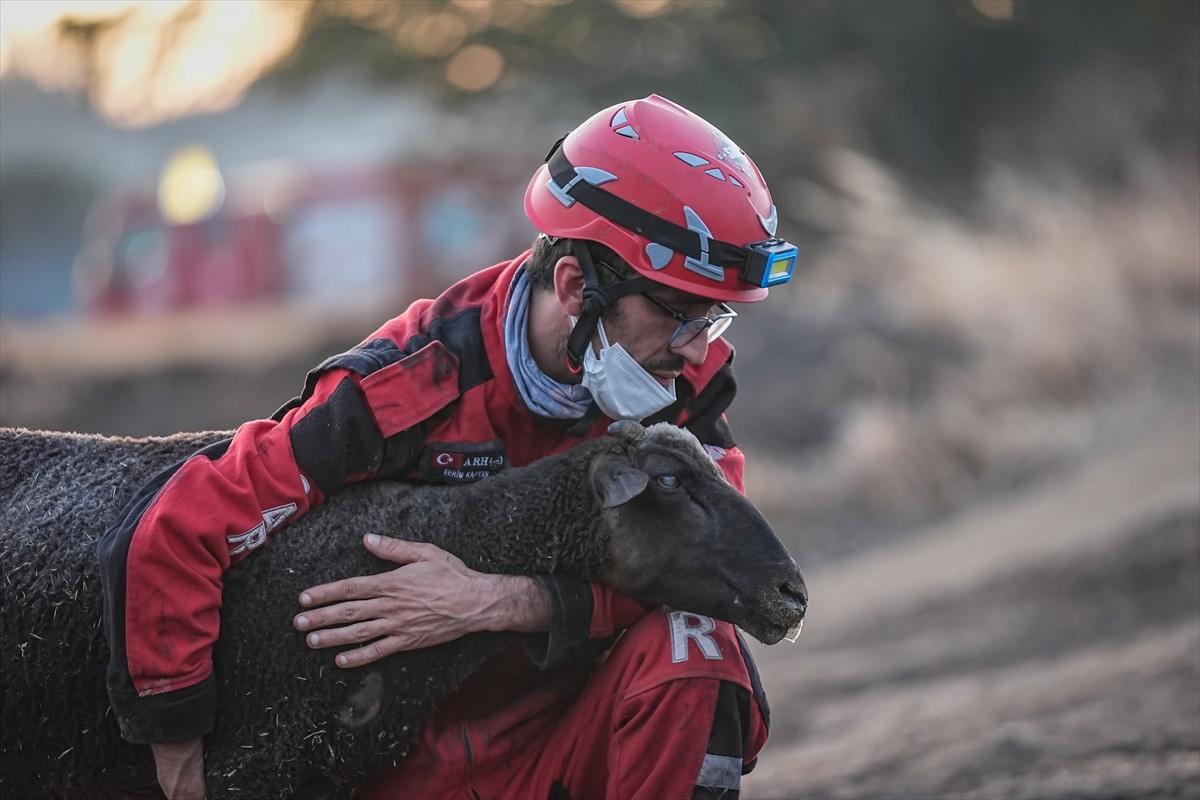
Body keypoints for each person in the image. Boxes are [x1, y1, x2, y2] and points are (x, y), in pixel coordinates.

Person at [99, 94, 799, 799]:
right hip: (401, 766)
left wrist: (496, 601)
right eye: (681, 313)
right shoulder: (402, 384)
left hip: (566, 743)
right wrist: (179, 762)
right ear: (577, 284)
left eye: (714, 318)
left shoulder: (689, 381)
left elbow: (710, 570)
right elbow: (178, 528)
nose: (695, 347)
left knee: (697, 644)